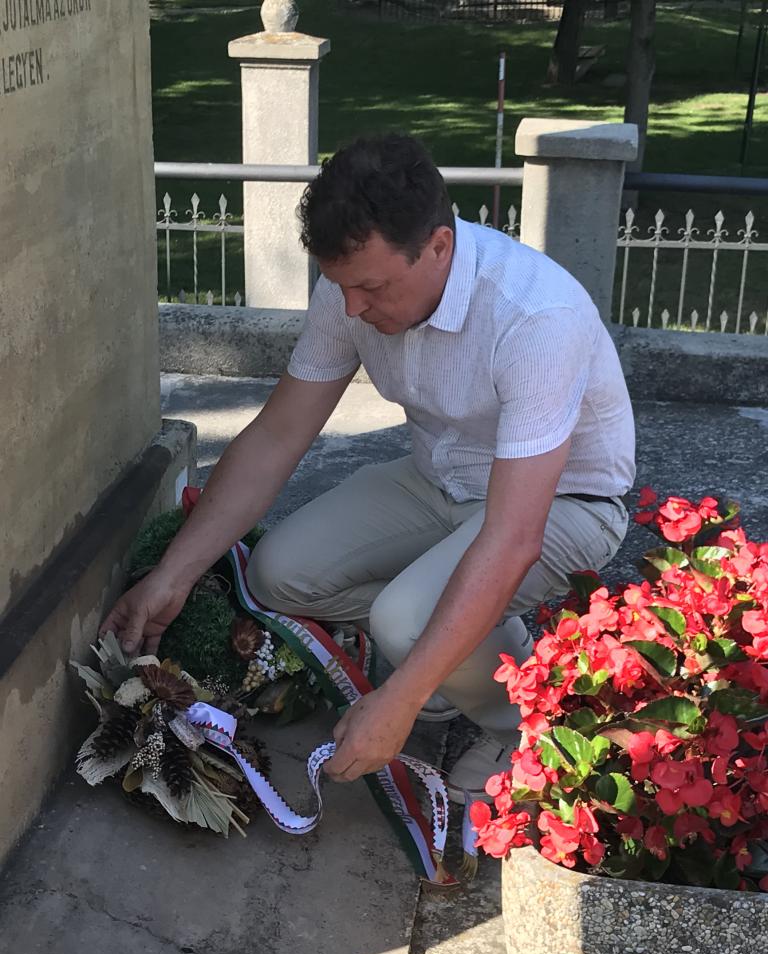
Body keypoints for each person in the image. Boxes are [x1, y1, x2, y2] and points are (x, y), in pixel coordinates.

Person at [102, 134, 635, 803]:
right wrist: (172, 576)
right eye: (341, 285)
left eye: (371, 287)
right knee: (278, 574)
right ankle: (453, 657)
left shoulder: (535, 317)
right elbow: (276, 437)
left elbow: (513, 537)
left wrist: (399, 698)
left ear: (438, 246)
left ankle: (524, 725)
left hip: (566, 504)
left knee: (404, 620)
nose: (351, 307)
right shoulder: (352, 287)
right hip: (436, 479)